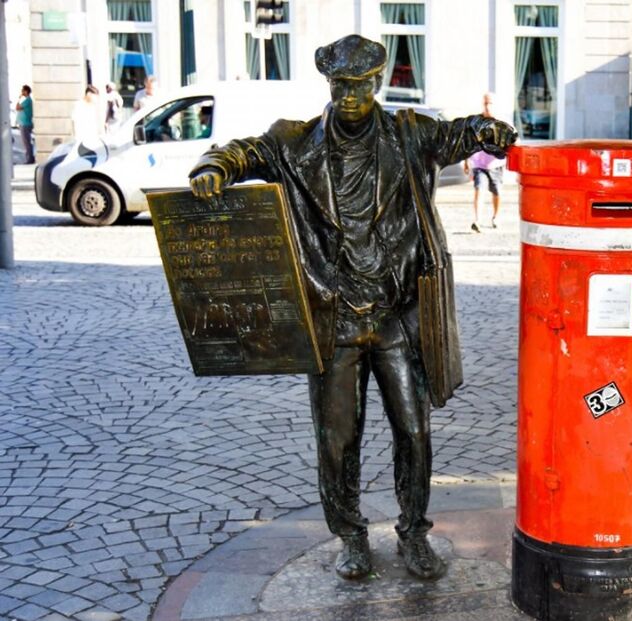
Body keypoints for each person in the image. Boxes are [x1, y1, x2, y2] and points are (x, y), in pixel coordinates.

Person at [189, 35, 516, 582]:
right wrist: (211, 166)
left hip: (396, 319)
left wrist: (489, 130)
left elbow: (463, 134)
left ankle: (414, 532)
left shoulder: (411, 135)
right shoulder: (293, 143)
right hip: (333, 319)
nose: (350, 96)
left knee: (413, 431)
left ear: (377, 84)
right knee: (337, 440)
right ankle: (351, 537)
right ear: (329, 86)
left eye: (361, 86)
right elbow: (240, 151)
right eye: (341, 86)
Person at [463, 93, 504, 232]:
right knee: (479, 190)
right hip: (479, 164)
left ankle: (496, 216)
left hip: (496, 165)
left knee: (496, 192)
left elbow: (512, 142)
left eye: (490, 103)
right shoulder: (477, 121)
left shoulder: (501, 122)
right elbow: (468, 142)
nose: (487, 106)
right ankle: (477, 220)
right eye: (485, 103)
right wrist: (466, 161)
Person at [15, 85, 35, 164]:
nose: (22, 92)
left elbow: (17, 107)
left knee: (26, 142)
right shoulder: (27, 100)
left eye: (23, 91)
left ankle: (29, 159)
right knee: (27, 142)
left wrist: (19, 98)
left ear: (26, 91)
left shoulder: (27, 100)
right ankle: (30, 158)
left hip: (25, 124)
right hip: (24, 123)